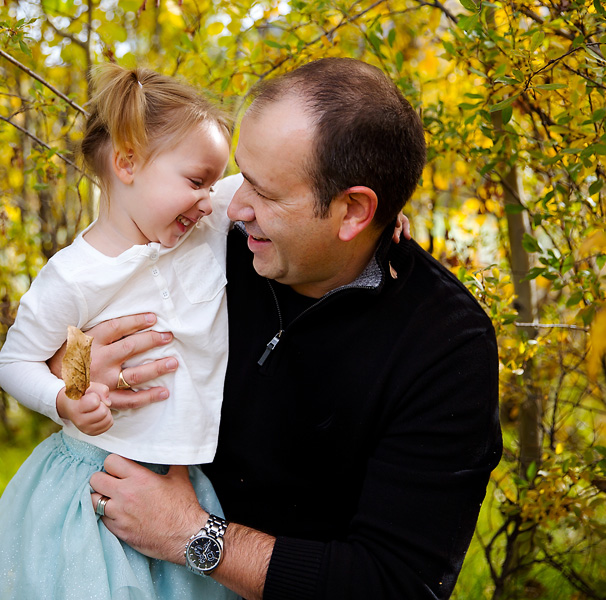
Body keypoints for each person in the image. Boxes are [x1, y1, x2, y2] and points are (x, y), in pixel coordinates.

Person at [77, 58, 503, 599]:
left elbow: (395, 584)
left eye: (266, 192)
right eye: (240, 176)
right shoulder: (208, 234)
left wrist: (194, 535)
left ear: (354, 212)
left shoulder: (444, 347)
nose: (235, 206)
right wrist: (74, 371)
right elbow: (73, 297)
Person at [0, 64, 239, 599]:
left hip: (184, 479)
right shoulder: (74, 276)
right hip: (100, 476)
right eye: (195, 181)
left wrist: (379, 210)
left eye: (214, 183)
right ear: (126, 163)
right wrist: (66, 397)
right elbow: (15, 362)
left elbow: (290, 186)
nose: (208, 198)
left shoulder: (203, 228)